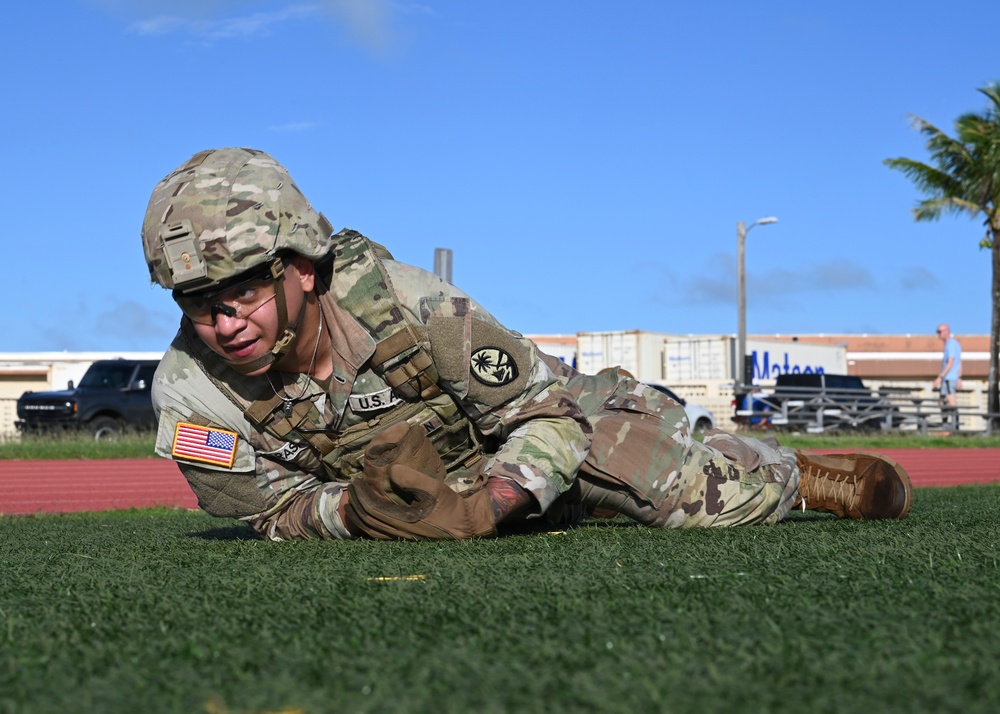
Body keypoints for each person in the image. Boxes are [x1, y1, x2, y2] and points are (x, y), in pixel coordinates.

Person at [141, 148, 913, 542]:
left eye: (242, 290)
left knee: (683, 497)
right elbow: (269, 511)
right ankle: (577, 498)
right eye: (198, 303)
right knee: (578, 506)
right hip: (423, 495)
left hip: (532, 428)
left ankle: (787, 474)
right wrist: (359, 512)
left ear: (302, 269)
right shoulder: (190, 394)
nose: (222, 321)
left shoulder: (409, 304)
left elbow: (543, 415)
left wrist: (489, 506)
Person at [933, 323, 962, 429]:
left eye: (939, 331)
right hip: (949, 378)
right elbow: (959, 363)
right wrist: (960, 378)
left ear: (946, 331)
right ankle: (945, 425)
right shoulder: (951, 344)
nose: (938, 334)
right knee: (942, 402)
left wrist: (940, 377)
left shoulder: (951, 344)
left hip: (950, 378)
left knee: (951, 402)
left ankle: (955, 427)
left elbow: (951, 362)